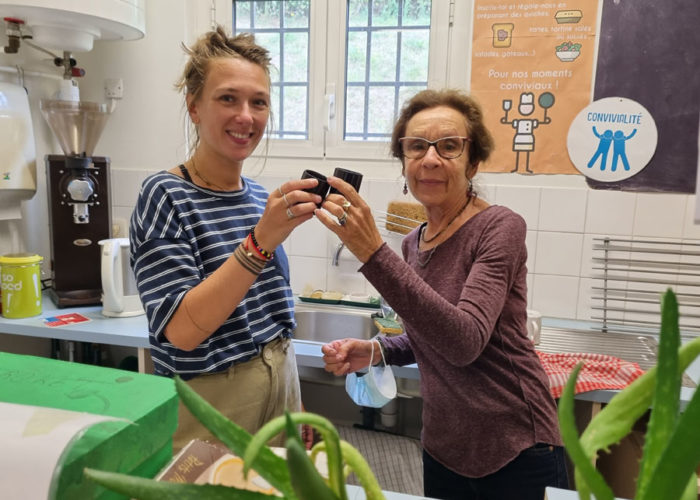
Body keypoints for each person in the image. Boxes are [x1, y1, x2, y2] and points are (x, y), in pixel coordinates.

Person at [316, 89, 568, 499]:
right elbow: (429, 331)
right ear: (404, 162)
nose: (430, 158)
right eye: (416, 146)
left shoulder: (499, 228)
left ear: (474, 161)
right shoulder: (414, 244)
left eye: (449, 146)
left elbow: (464, 341)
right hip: (443, 448)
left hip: (515, 445)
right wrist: (380, 351)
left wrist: (372, 252)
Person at [129, 27, 322, 451]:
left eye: (259, 102)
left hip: (280, 384)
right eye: (228, 98)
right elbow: (181, 331)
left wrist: (295, 401)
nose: (246, 116)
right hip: (212, 399)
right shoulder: (165, 195)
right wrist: (260, 242)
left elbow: (272, 315)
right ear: (194, 106)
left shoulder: (257, 197)